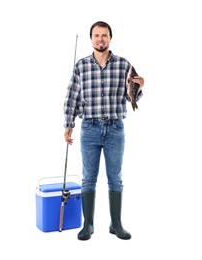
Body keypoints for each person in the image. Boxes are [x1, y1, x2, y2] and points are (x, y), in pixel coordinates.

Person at [63, 21, 144, 240]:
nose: (101, 39)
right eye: (97, 35)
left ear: (110, 38)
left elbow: (132, 97)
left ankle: (116, 224)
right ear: (91, 39)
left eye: (104, 35)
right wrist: (68, 124)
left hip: (115, 128)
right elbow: (72, 97)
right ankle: (88, 224)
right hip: (89, 127)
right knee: (88, 178)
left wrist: (140, 87)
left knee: (115, 178)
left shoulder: (124, 65)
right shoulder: (81, 66)